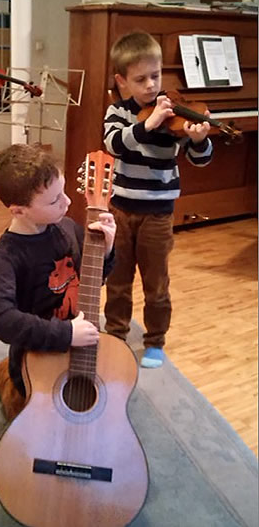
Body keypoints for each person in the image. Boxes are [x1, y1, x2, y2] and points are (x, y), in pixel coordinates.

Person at [103, 31, 213, 369]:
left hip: (158, 213)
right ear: (122, 81)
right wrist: (147, 125)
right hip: (121, 210)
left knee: (157, 283)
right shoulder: (118, 112)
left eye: (156, 75)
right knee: (118, 280)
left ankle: (155, 341)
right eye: (140, 79)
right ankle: (116, 334)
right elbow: (113, 144)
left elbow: (201, 159)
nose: (151, 85)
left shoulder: (173, 111)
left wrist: (198, 140)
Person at [0, 144, 116, 414]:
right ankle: (7, 379)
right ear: (19, 211)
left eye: (64, 192)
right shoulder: (5, 257)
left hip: (81, 347)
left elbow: (92, 282)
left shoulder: (67, 229)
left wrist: (107, 251)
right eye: (54, 200)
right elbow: (1, 319)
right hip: (37, 358)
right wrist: (66, 333)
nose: (67, 203)